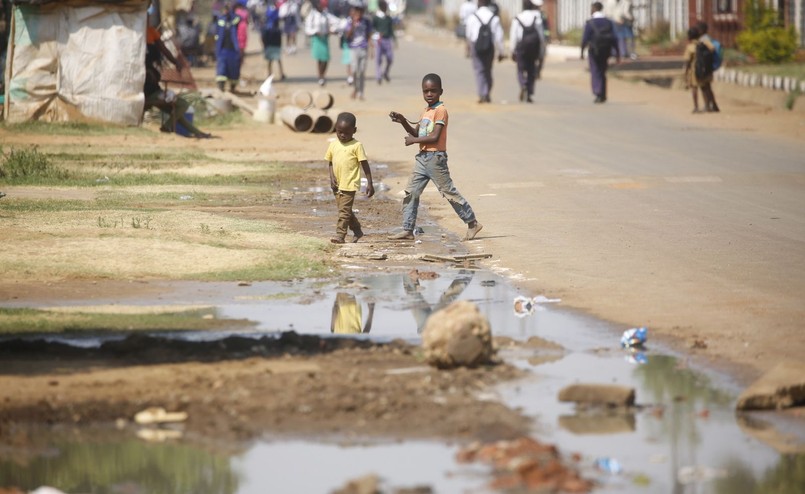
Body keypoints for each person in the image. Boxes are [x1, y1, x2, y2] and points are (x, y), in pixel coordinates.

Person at [387, 73, 483, 242]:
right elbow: (417, 132)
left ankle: (472, 222)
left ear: (441, 91)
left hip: (435, 158)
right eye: (426, 91)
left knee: (448, 192)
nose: (429, 94)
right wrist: (402, 121)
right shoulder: (426, 111)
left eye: (433, 91)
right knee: (411, 192)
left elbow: (434, 137)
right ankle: (408, 229)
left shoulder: (441, 111)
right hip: (422, 158)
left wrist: (413, 141)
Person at [326, 112, 375, 244]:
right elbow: (330, 162)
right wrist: (331, 178)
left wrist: (370, 183)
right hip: (336, 184)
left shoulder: (356, 146)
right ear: (335, 128)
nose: (342, 135)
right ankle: (357, 230)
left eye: (346, 133)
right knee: (345, 210)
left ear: (354, 131)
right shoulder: (333, 144)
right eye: (339, 132)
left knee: (343, 211)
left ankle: (340, 235)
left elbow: (365, 164)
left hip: (350, 184)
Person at [463, 0, 505, 104]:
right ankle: (487, 92)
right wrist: (501, 52)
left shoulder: (473, 17)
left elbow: (468, 35)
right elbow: (499, 37)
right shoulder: (494, 18)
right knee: (488, 70)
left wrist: (468, 47)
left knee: (479, 70)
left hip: (476, 46)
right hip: (489, 47)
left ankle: (482, 93)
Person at [581, 1, 619, 103]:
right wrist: (617, 53)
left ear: (594, 9)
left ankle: (598, 92)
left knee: (595, 70)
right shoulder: (608, 22)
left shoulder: (590, 22)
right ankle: (603, 93)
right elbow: (615, 38)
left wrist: (582, 51)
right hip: (606, 49)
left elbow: (585, 38)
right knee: (602, 71)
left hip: (594, 50)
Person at [509, 0, 545, 103]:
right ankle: (529, 93)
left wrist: (512, 50)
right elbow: (541, 36)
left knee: (520, 69)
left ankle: (522, 84)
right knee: (531, 70)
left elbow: (513, 36)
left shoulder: (517, 18)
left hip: (521, 47)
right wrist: (542, 50)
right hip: (533, 48)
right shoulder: (536, 19)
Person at [305, 0, 339, 86]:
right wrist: (315, 32)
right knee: (319, 58)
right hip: (317, 39)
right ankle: (320, 76)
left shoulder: (326, 14)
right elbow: (307, 29)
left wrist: (331, 30)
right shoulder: (312, 15)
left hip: (324, 39)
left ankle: (323, 75)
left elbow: (337, 22)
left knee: (325, 58)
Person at [344, 2, 372, 99]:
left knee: (362, 72)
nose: (358, 14)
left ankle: (361, 93)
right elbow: (347, 35)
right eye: (357, 12)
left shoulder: (366, 22)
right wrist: (353, 25)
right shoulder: (349, 22)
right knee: (355, 71)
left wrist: (371, 49)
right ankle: (355, 89)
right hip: (353, 48)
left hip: (363, 48)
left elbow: (369, 35)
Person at [214, 2, 243, 92]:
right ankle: (221, 87)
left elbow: (239, 19)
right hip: (222, 49)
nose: (225, 11)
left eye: (227, 9)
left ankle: (233, 87)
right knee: (221, 69)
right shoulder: (220, 20)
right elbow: (217, 32)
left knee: (233, 69)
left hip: (233, 49)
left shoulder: (234, 19)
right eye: (225, 9)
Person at [695, 21, 720, 112]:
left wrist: (704, 56)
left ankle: (708, 105)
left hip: (705, 67)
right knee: (707, 87)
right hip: (706, 66)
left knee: (704, 87)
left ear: (701, 30)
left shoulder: (704, 39)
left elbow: (711, 48)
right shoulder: (704, 38)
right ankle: (713, 105)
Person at [261, 1, 286, 80]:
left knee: (274, 58)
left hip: (273, 36)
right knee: (272, 58)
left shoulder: (272, 10)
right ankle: (272, 74)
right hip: (271, 36)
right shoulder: (273, 11)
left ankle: (274, 74)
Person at [372, 0, 395, 84]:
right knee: (378, 59)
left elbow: (391, 30)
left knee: (390, 58)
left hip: (387, 40)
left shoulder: (388, 18)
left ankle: (386, 72)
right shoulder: (376, 18)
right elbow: (372, 28)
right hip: (379, 40)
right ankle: (378, 76)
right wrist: (377, 34)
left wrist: (394, 40)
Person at [234, 0, 250, 70]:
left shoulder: (235, 12)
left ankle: (238, 60)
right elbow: (247, 22)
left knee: (238, 46)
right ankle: (241, 60)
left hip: (238, 31)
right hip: (243, 31)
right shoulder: (245, 13)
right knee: (242, 47)